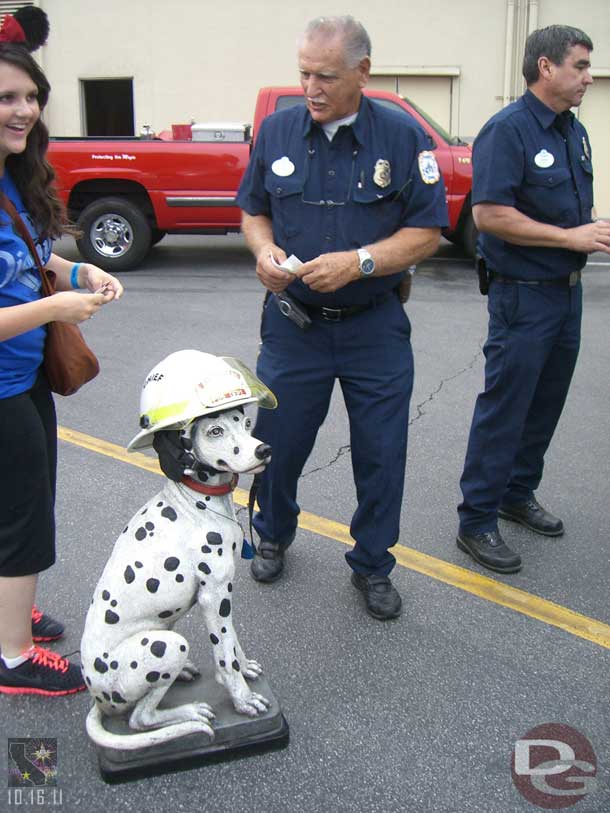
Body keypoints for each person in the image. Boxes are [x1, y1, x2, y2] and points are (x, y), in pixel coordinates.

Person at [237, 16, 447, 620]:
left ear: (363, 72)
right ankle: (273, 532)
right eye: (303, 73)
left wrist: (360, 262)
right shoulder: (277, 131)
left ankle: (374, 564)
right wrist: (264, 251)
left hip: (373, 326)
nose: (311, 88)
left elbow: (427, 231)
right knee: (275, 443)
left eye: (325, 76)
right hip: (292, 323)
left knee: (381, 451)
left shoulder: (403, 139)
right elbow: (254, 212)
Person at [0, 8, 123, 696]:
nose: (24, 110)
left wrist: (81, 275)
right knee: (21, 516)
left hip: (22, 381)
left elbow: (33, 262)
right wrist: (55, 308)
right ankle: (12, 658)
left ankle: (8, 612)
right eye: (6, 99)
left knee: (21, 505)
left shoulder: (15, 175)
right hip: (1, 387)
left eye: (29, 96)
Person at [456, 25, 610, 574]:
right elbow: (490, 215)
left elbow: (564, 211)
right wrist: (571, 238)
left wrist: (589, 228)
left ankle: (516, 494)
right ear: (546, 67)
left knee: (545, 405)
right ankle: (476, 520)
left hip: (566, 296)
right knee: (505, 408)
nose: (589, 77)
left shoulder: (574, 132)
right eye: (581, 65)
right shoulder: (508, 131)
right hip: (522, 298)